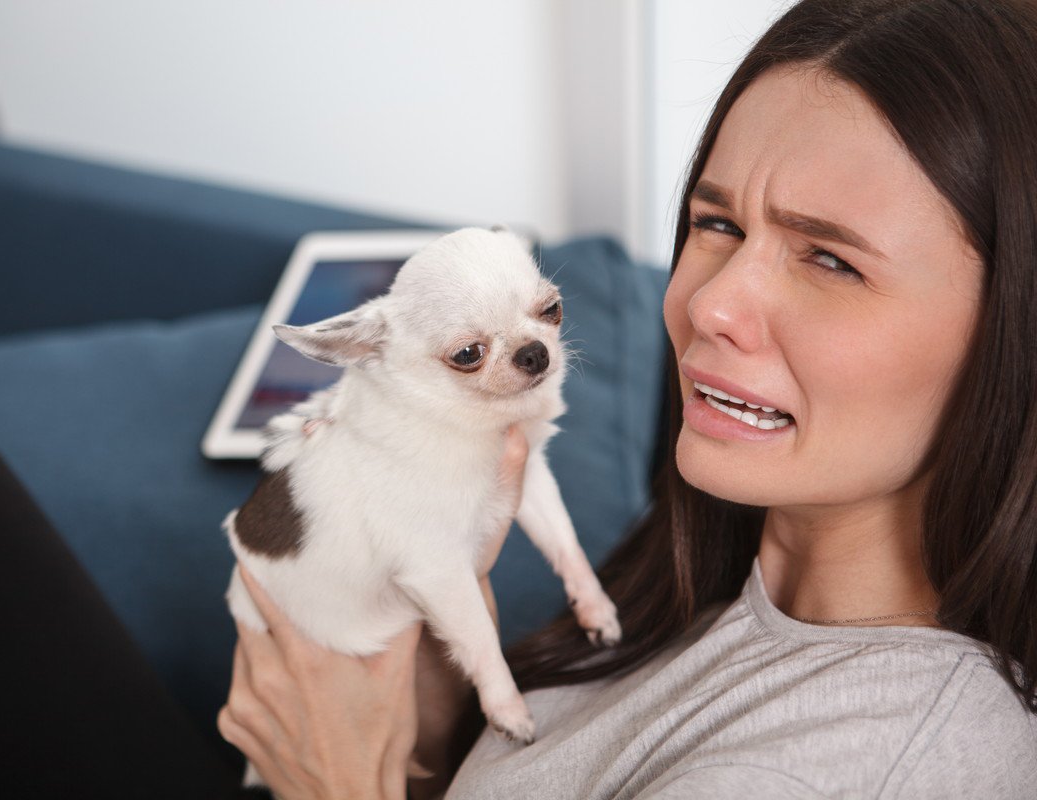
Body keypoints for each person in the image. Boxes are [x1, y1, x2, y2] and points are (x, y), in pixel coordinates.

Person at [216, 0, 1037, 798]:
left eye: (830, 260)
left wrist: (339, 784)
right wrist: (423, 721)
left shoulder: (845, 764)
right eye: (717, 224)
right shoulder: (696, 575)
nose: (708, 304)